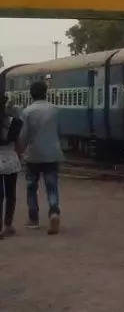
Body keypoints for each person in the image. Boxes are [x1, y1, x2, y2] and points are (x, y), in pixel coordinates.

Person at [18, 81, 63, 234]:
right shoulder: (55, 110)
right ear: (46, 93)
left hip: (33, 155)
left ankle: (33, 219)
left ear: (31, 94)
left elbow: (23, 136)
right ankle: (54, 212)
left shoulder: (27, 112)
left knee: (31, 187)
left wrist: (20, 151)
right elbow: (59, 131)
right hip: (52, 153)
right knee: (52, 186)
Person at [0, 95, 21, 238]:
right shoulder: (16, 122)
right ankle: (8, 225)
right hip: (11, 159)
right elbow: (19, 144)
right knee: (10, 194)